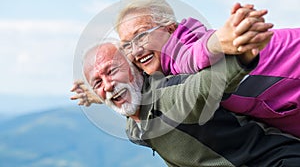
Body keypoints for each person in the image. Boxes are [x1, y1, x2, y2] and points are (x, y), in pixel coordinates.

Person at [80, 42, 300, 167]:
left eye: (112, 71)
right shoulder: (134, 127)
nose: (108, 85)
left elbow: (202, 87)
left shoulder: (165, 96)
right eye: (97, 82)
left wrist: (241, 57)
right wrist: (94, 95)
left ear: (135, 69)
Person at [115, 0, 300, 137]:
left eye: (141, 36)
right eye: (127, 45)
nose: (136, 51)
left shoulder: (183, 53)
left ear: (170, 29)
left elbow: (194, 55)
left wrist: (220, 40)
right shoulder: (163, 73)